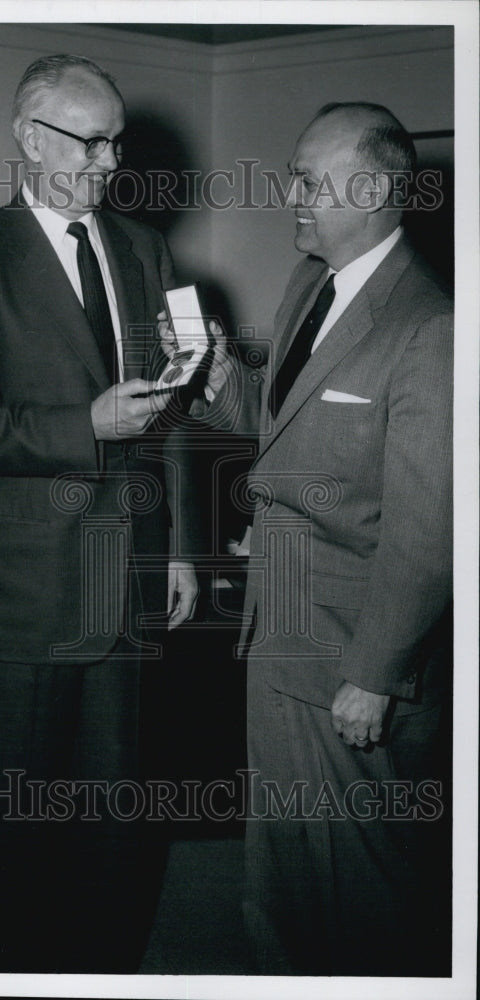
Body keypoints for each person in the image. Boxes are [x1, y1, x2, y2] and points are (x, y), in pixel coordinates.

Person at [0, 54, 199, 973]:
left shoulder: (145, 249)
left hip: (123, 587)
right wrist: (84, 423)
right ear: (31, 141)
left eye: (118, 139)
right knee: (19, 828)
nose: (112, 161)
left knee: (113, 826)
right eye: (94, 139)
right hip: (20, 597)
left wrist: (184, 553)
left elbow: (176, 411)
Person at [179, 102, 452, 975]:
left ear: (370, 189)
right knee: (282, 862)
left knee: (367, 877)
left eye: (306, 178)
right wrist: (218, 380)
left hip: (351, 657)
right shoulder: (312, 284)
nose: (288, 194)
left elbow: (429, 529)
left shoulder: (429, 326)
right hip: (279, 634)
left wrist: (375, 674)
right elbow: (278, 430)